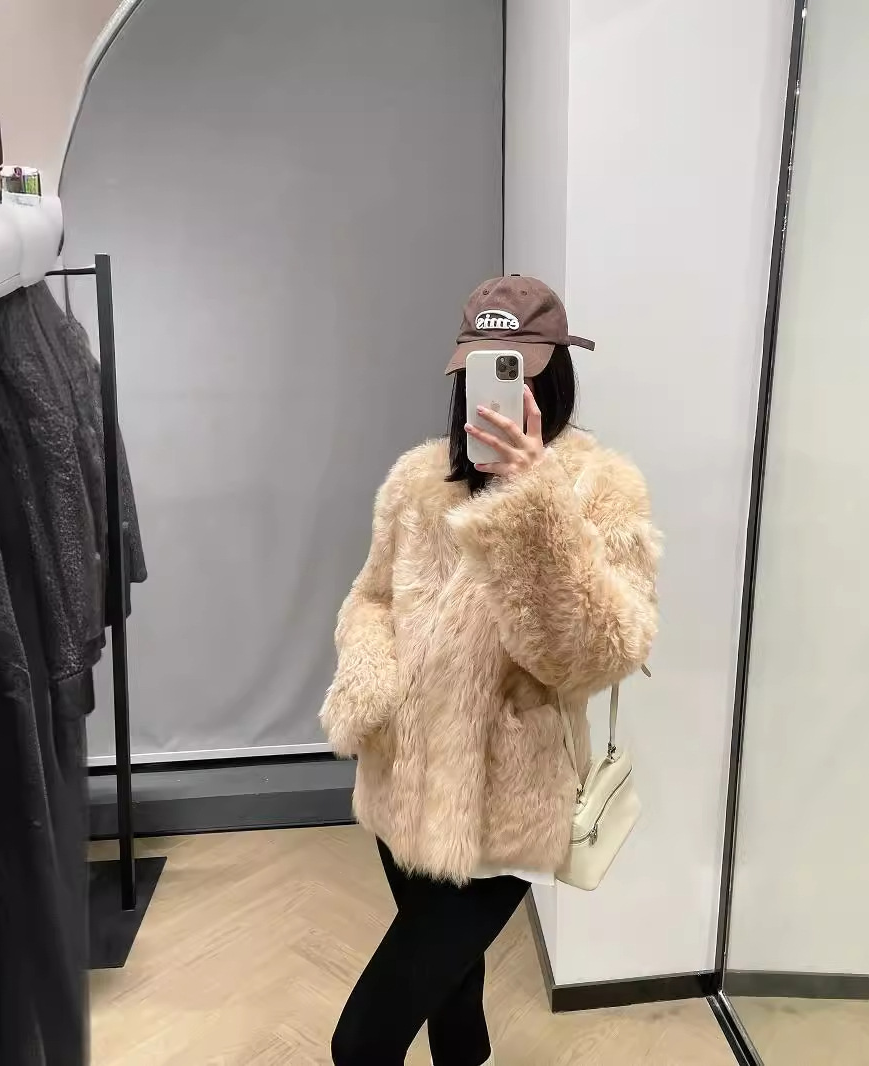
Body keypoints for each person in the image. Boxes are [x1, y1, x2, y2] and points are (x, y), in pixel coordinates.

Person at [322, 276, 660, 1066]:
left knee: (361, 1044)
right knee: (453, 996)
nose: (500, 395)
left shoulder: (602, 490)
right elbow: (371, 597)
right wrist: (370, 682)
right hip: (403, 782)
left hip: (508, 802)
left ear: (554, 376)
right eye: (483, 372)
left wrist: (533, 500)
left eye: (520, 373)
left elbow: (597, 652)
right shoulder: (417, 481)